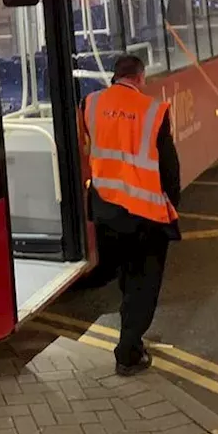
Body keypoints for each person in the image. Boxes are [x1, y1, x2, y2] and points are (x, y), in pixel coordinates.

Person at [81, 54, 182, 376]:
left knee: (125, 277)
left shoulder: (91, 104)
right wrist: (172, 204)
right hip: (144, 213)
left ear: (115, 76)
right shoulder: (153, 111)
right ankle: (128, 351)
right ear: (140, 78)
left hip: (105, 208)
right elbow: (169, 167)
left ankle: (131, 339)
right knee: (144, 283)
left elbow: (90, 147)